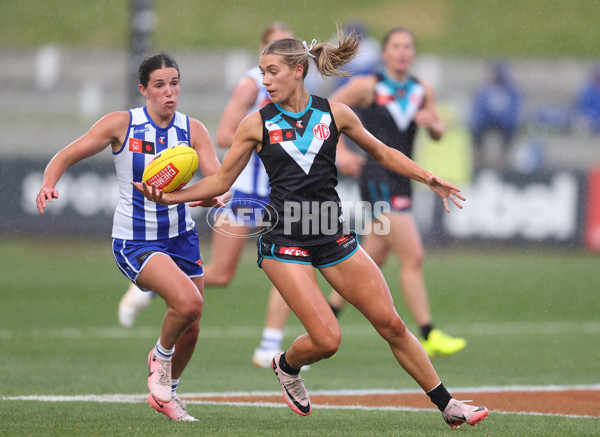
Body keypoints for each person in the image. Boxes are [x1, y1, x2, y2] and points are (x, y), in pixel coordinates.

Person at [133, 27, 489, 429]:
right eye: (262, 72)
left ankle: (448, 404)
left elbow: (382, 152)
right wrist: (167, 197)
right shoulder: (255, 124)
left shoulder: (335, 113)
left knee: (391, 324)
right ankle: (288, 366)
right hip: (283, 242)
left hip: (332, 235)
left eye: (271, 72)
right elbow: (219, 183)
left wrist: (429, 178)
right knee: (328, 340)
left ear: (298, 71)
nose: (264, 81)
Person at [36, 53, 224, 422]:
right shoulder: (122, 124)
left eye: (174, 83)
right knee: (188, 304)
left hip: (181, 237)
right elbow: (68, 153)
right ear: (143, 90)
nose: (169, 92)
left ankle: (167, 393)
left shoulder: (193, 129)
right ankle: (159, 358)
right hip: (135, 241)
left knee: (193, 326)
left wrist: (212, 195)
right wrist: (48, 183)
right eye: (159, 85)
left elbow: (217, 182)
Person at [116, 23, 297, 369]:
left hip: (281, 193)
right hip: (245, 191)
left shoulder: (295, 86)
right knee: (223, 274)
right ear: (262, 51)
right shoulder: (251, 84)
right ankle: (156, 286)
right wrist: (265, 136)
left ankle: (269, 345)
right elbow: (227, 133)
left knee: (291, 261)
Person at [324, 27, 467, 359]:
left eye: (407, 46)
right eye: (395, 46)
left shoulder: (421, 90)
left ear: (413, 54)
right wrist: (342, 152)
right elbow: (327, 112)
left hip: (403, 177)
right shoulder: (367, 86)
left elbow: (437, 132)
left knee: (372, 258)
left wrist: (433, 125)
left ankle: (327, 317)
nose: (402, 52)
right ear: (385, 53)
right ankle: (429, 333)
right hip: (375, 177)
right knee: (413, 255)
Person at [470, 61, 523, 168]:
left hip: (504, 122)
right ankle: (478, 162)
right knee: (476, 133)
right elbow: (480, 108)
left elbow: (513, 110)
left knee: (509, 135)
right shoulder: (485, 90)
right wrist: (480, 122)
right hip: (487, 120)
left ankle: (503, 163)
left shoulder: (511, 91)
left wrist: (508, 123)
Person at [574, 63, 600, 135]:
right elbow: (580, 107)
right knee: (583, 123)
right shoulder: (586, 89)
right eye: (597, 76)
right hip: (588, 119)